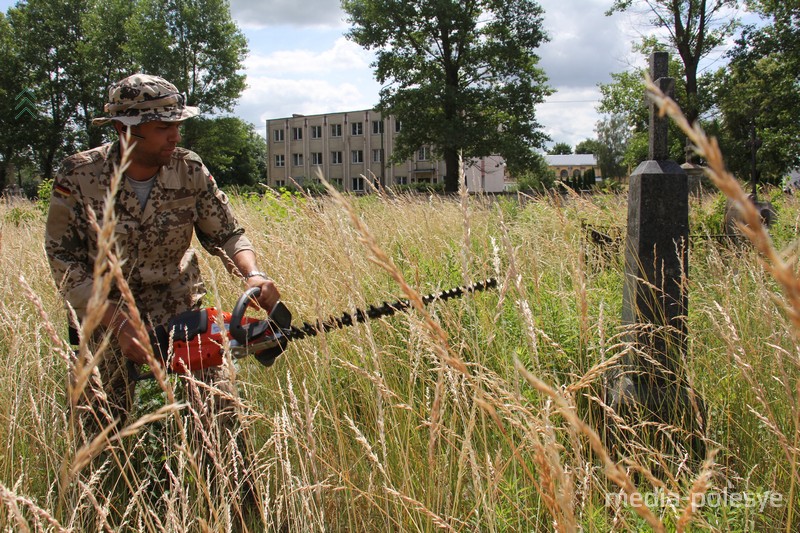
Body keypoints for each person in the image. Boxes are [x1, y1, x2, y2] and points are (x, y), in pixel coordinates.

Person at [45, 73, 280, 437]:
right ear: (125, 128)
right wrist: (120, 323)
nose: (175, 135)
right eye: (161, 127)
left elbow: (227, 234)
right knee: (99, 431)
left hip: (179, 309)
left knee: (220, 419)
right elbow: (63, 260)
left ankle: (232, 491)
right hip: (106, 314)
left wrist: (253, 273)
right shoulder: (79, 175)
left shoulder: (190, 169)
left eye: (177, 125)